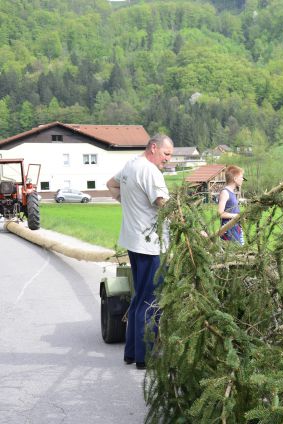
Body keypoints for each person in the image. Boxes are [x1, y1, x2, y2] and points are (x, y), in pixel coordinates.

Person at [106, 134, 174, 370]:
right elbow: (162, 203)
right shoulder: (150, 171)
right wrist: (188, 226)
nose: (167, 160)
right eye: (166, 154)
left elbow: (111, 185)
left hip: (134, 242)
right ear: (153, 148)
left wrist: (127, 204)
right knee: (151, 299)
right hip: (151, 245)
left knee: (139, 297)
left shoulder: (130, 165)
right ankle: (146, 356)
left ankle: (132, 352)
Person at [218, 165, 245, 244]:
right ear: (235, 179)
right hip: (229, 231)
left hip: (235, 229)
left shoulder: (232, 192)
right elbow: (220, 213)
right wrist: (237, 216)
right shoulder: (225, 192)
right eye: (241, 177)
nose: (242, 179)